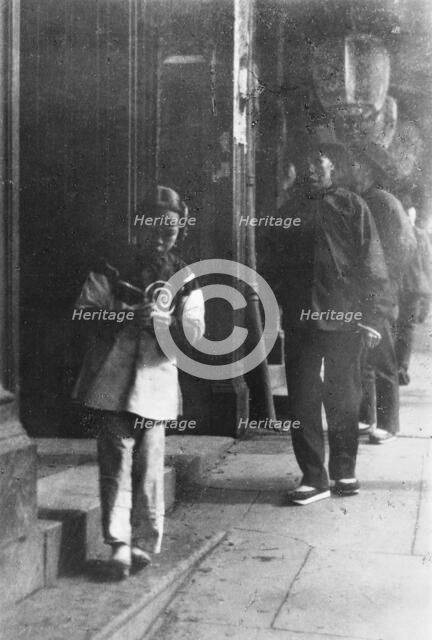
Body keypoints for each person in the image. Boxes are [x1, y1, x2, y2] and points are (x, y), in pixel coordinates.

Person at [72, 186, 205, 577]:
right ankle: (118, 543)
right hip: (112, 377)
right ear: (140, 226)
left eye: (172, 231)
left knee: (149, 461)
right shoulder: (111, 266)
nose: (162, 238)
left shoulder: (186, 277)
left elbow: (196, 331)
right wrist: (124, 316)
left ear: (180, 232)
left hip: (155, 379)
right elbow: (83, 313)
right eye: (155, 229)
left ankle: (143, 541)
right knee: (114, 456)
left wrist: (164, 324)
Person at [260, 138, 390, 505]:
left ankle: (345, 472)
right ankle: (313, 476)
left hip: (345, 320)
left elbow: (372, 264)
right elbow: (270, 265)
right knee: (301, 399)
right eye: (307, 165)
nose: (312, 170)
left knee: (344, 399)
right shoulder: (288, 210)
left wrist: (372, 316)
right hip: (301, 320)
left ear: (334, 167)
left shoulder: (352, 206)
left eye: (320, 164)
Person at [350, 155, 416, 443]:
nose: (350, 173)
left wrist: (388, 283)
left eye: (355, 168)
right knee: (364, 356)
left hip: (381, 290)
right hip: (369, 289)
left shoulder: (381, 202)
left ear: (367, 171)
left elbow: (403, 246)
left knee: (383, 358)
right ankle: (367, 417)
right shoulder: (370, 199)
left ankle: (388, 424)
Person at [395, 202, 432, 384]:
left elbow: (428, 265)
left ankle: (401, 368)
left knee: (406, 329)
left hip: (413, 289)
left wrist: (427, 299)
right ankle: (397, 367)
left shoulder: (421, 236)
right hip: (399, 289)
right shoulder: (398, 234)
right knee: (399, 328)